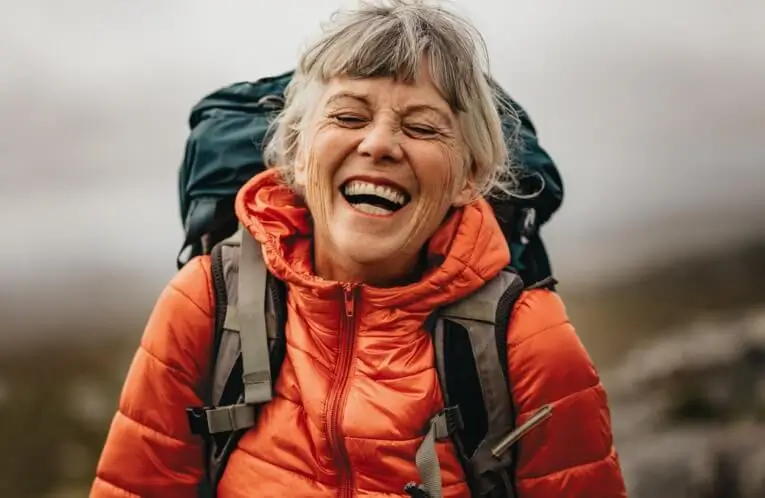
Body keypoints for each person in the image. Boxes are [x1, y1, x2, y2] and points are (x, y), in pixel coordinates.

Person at [91, 1, 627, 497]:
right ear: (297, 155)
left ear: (471, 178)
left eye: (421, 127)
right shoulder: (206, 304)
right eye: (348, 117)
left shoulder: (529, 341)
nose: (378, 144)